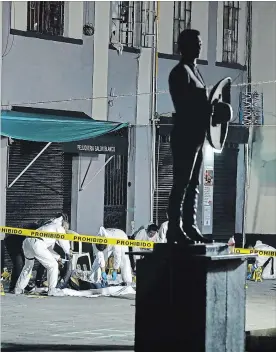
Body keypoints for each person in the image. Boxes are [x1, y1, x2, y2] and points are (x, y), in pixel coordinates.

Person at [167, 29, 213, 245]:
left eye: (201, 42)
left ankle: (189, 225)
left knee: (194, 183)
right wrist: (204, 109)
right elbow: (184, 105)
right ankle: (174, 228)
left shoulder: (196, 71)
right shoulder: (179, 72)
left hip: (198, 136)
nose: (200, 46)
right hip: (185, 135)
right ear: (184, 46)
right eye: (196, 42)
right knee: (181, 183)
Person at [15, 213, 70, 297]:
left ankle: (18, 288)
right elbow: (64, 242)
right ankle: (52, 290)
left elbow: (46, 248)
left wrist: (58, 257)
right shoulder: (58, 226)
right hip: (37, 243)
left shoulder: (48, 225)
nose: (66, 229)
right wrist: (68, 252)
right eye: (66, 227)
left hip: (27, 242)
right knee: (53, 266)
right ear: (63, 223)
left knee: (28, 266)